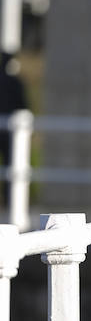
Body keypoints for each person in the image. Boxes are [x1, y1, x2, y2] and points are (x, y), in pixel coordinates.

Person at [0, 52, 27, 207]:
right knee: (12, 167)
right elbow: (23, 106)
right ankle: (10, 202)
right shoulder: (15, 82)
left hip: (8, 132)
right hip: (11, 133)